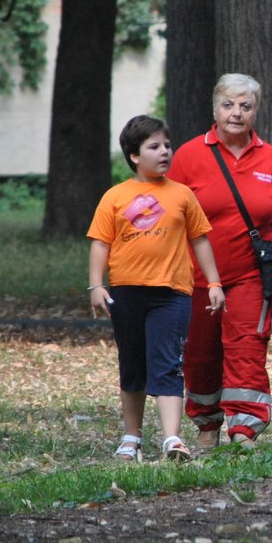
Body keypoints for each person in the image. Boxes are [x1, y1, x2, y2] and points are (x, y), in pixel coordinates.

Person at [167, 74, 272, 449]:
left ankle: (245, 430)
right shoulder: (189, 155)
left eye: (246, 106)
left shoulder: (271, 157)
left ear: (256, 111)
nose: (236, 113)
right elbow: (170, 215)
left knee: (247, 347)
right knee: (200, 352)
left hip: (251, 274)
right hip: (196, 277)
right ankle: (207, 426)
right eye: (228, 104)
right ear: (214, 108)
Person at [87, 115, 226, 462]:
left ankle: (172, 440)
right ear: (134, 156)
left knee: (168, 364)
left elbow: (200, 239)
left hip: (172, 294)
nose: (164, 152)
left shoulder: (182, 195)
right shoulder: (115, 197)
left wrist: (214, 282)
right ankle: (131, 438)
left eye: (167, 145)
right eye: (154, 147)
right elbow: (100, 244)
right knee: (132, 364)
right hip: (126, 292)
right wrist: (95, 286)